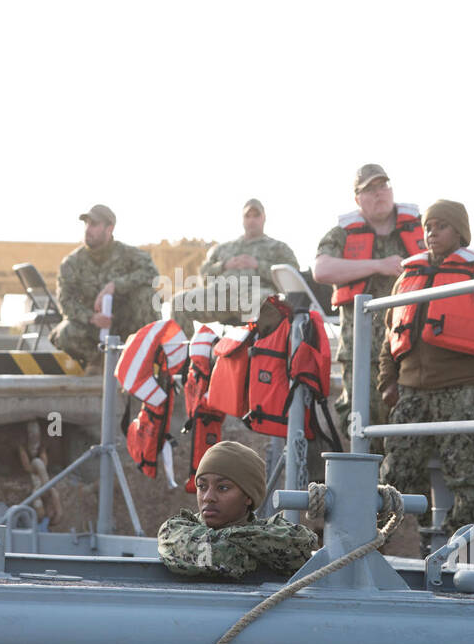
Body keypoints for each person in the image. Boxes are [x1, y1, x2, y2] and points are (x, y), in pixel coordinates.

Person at [378, 200, 474, 544]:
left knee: (464, 475)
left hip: (463, 391)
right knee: (396, 471)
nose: (431, 233)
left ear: (460, 232)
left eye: (440, 226)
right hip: (410, 392)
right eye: (428, 226)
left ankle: (460, 547)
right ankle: (400, 542)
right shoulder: (406, 278)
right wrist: (388, 382)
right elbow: (388, 333)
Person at [313, 164, 427, 452]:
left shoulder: (423, 226)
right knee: (364, 425)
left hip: (416, 348)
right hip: (363, 352)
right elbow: (321, 269)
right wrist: (379, 265)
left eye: (383, 186)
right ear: (357, 199)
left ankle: (410, 495)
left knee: (414, 431)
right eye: (370, 189)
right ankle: (368, 492)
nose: (379, 194)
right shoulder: (341, 234)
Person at [158, 441, 319, 579]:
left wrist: (225, 546)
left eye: (223, 488)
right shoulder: (175, 530)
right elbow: (211, 554)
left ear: (248, 496)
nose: (208, 497)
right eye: (202, 486)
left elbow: (301, 547)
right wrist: (257, 552)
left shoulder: (283, 532)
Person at [50, 204, 160, 373]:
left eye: (94, 224)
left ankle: (141, 357)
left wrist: (116, 285)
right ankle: (98, 361)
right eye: (86, 224)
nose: (88, 229)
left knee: (146, 294)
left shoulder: (128, 254)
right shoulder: (72, 262)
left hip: (125, 326)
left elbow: (152, 273)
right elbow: (65, 301)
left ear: (109, 228)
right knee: (64, 333)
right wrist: (92, 318)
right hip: (93, 330)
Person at [169, 198, 300, 332]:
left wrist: (257, 265)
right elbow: (203, 274)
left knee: (271, 305)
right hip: (220, 295)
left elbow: (292, 275)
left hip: (254, 295)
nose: (251, 220)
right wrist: (224, 266)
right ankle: (182, 352)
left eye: (256, 215)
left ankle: (266, 351)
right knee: (179, 302)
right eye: (247, 216)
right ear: (242, 219)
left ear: (264, 218)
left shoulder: (278, 248)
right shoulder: (224, 248)